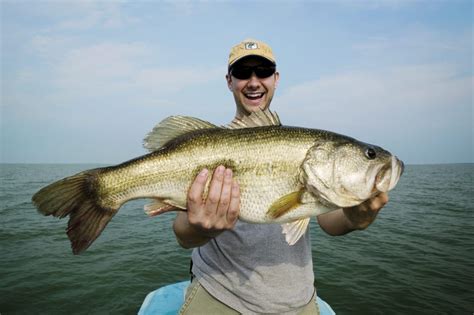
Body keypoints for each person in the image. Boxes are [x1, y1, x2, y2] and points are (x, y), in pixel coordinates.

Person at [173, 39, 390, 315]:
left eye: (263, 71)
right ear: (229, 81)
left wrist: (355, 218)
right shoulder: (205, 148)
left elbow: (329, 223)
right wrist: (202, 228)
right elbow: (182, 234)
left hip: (298, 302)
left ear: (275, 79)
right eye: (243, 73)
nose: (253, 81)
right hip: (220, 296)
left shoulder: (307, 159)